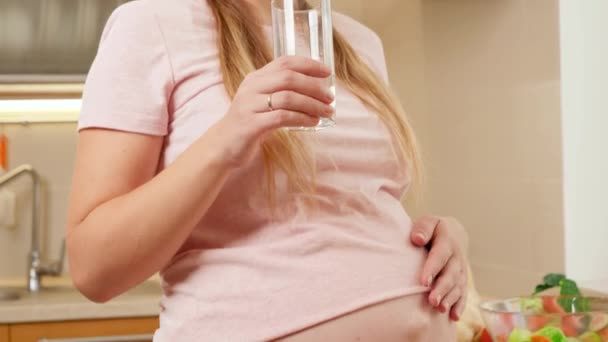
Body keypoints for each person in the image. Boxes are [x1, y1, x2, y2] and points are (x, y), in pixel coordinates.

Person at [66, 0, 469, 340]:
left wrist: (441, 239)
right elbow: (93, 268)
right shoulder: (152, 24)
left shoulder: (360, 43)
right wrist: (226, 139)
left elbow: (344, 215)